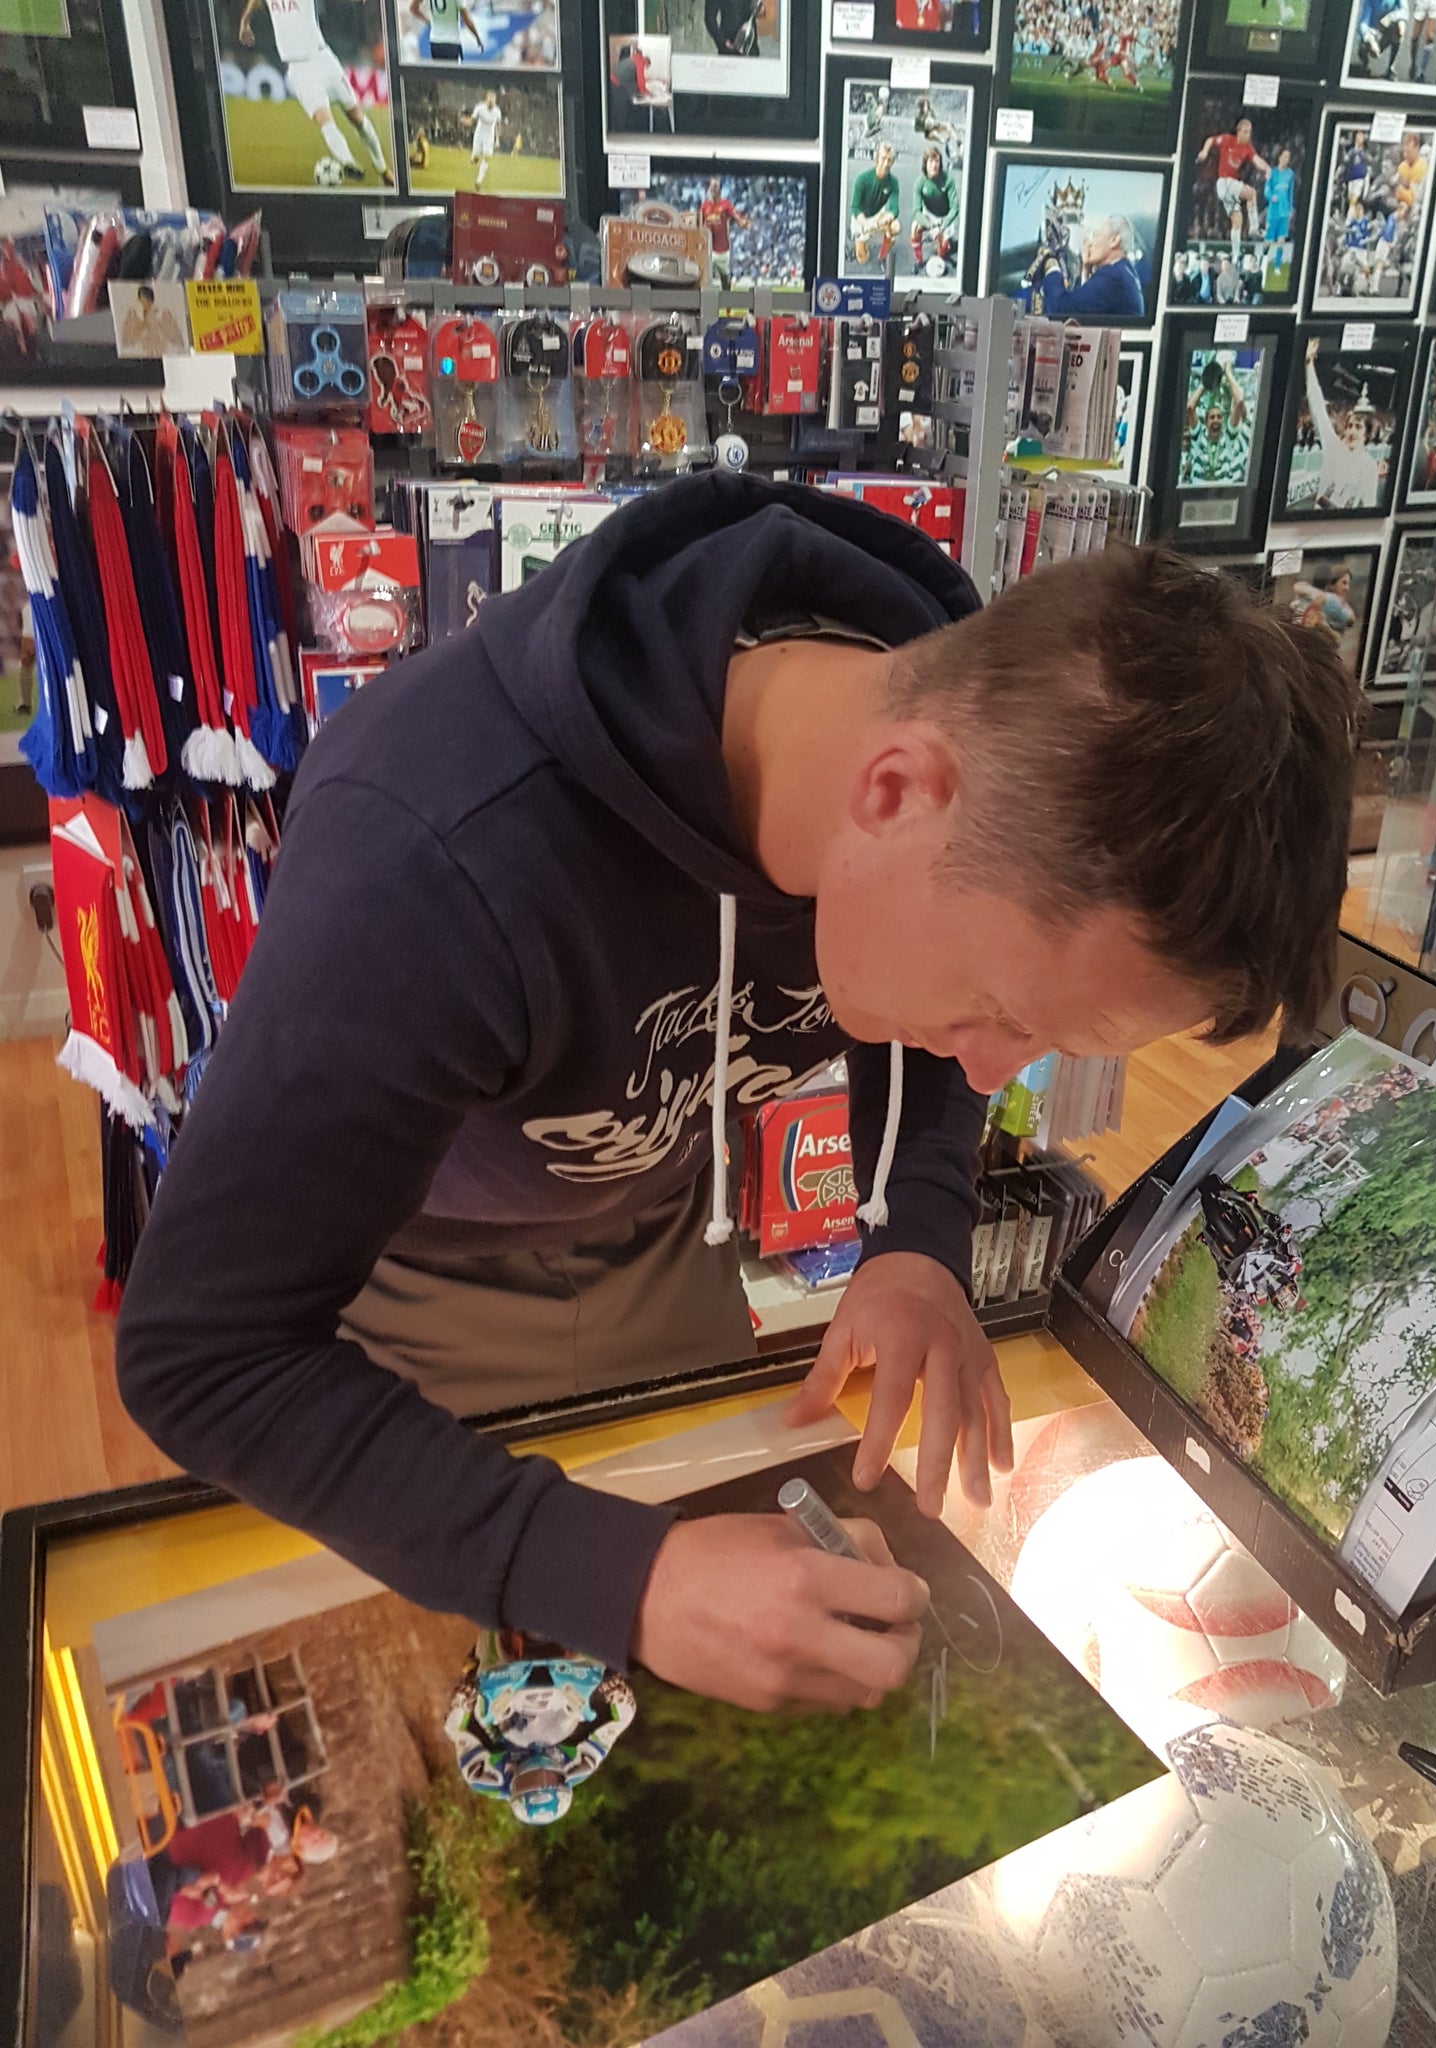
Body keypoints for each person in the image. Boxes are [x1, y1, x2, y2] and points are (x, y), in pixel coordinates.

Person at [117, 474, 1356, 1721]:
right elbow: (202, 1350)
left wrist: (916, 1230)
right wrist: (631, 1578)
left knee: (716, 1686)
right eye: (1001, 1007)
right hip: (406, 1283)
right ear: (892, 792)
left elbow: (951, 1023)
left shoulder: (961, 732)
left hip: (664, 1228)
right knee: (494, 1707)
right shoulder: (431, 851)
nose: (989, 1070)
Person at [237, 0, 391, 185]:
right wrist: (245, 20)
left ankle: (382, 168)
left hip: (323, 59)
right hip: (299, 69)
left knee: (357, 117)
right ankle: (348, 161)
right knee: (323, 118)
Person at [1304, 335, 1383, 512]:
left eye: (1358, 427)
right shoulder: (1334, 447)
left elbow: (1368, 506)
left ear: (1367, 434)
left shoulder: (1369, 465)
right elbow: (1317, 406)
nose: (1352, 432)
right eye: (1349, 426)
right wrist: (1309, 364)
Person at [1035, 213, 1144, 320]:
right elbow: (1084, 308)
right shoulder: (1126, 272)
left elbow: (1060, 309)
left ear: (1114, 240)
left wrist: (1051, 266)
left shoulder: (1112, 277)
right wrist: (1085, 270)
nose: (1089, 243)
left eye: (1096, 235)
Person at [1196, 116, 1268, 257]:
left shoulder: (1248, 148)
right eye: (1246, 132)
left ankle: (1235, 255)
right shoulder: (1227, 140)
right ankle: (1254, 228)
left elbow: (1257, 160)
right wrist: (1204, 152)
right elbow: (1211, 140)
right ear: (1239, 131)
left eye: (1250, 132)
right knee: (1252, 193)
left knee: (1237, 220)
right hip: (1224, 182)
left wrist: (1267, 169)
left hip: (1229, 187)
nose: (1248, 135)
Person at [1180, 354, 1251, 485]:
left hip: (1223, 492)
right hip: (1197, 491)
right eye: (1212, 417)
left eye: (1219, 417)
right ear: (1206, 422)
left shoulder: (1228, 437)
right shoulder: (1198, 436)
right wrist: (1207, 381)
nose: (1216, 420)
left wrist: (1228, 372)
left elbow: (1240, 402)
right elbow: (1190, 407)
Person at [909, 146, 959, 274]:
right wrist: (930, 226)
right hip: (929, 216)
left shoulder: (948, 180)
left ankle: (944, 248)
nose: (934, 165)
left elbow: (955, 208)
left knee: (942, 252)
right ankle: (919, 261)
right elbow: (916, 211)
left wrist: (943, 226)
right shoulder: (919, 182)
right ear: (925, 164)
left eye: (937, 161)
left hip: (945, 218)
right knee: (915, 229)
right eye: (931, 161)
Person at [849, 142, 900, 267]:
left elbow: (894, 208)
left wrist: (888, 218)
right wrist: (866, 224)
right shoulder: (862, 179)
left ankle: (882, 256)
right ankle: (858, 242)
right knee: (862, 260)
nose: (886, 164)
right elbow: (855, 207)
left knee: (895, 227)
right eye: (883, 159)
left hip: (878, 215)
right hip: (862, 218)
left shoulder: (893, 182)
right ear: (876, 158)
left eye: (889, 160)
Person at [700, 176, 750, 289]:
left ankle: (727, 298)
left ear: (719, 189)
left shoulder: (725, 205)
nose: (713, 189)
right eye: (712, 186)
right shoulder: (705, 206)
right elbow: (699, 224)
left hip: (723, 250)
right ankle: (706, 297)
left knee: (725, 279)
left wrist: (743, 222)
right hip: (709, 249)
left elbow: (736, 216)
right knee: (705, 276)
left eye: (715, 186)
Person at [407, 0, 484, 62]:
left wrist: (429, 22)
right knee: (454, 75)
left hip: (435, 42)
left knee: (440, 74)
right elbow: (466, 18)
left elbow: (413, 8)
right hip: (452, 42)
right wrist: (477, 37)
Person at [1263, 145, 1295, 275]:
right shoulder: (1273, 173)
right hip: (1273, 212)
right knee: (1269, 241)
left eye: (1289, 157)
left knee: (1281, 240)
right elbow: (1266, 190)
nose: (1287, 159)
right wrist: (1272, 197)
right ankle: (1262, 259)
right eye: (1285, 156)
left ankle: (1277, 266)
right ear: (1279, 157)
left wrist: (1290, 208)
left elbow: (1290, 192)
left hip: (1284, 212)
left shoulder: (1290, 174)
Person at [464, 85, 501, 191]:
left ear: (495, 100)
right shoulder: (480, 107)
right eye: (489, 98)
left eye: (493, 99)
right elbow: (471, 121)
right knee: (475, 158)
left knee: (486, 157)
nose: (491, 100)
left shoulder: (497, 111)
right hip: (479, 134)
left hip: (489, 136)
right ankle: (474, 158)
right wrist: (464, 121)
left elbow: (498, 125)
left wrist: (497, 139)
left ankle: (478, 181)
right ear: (486, 99)